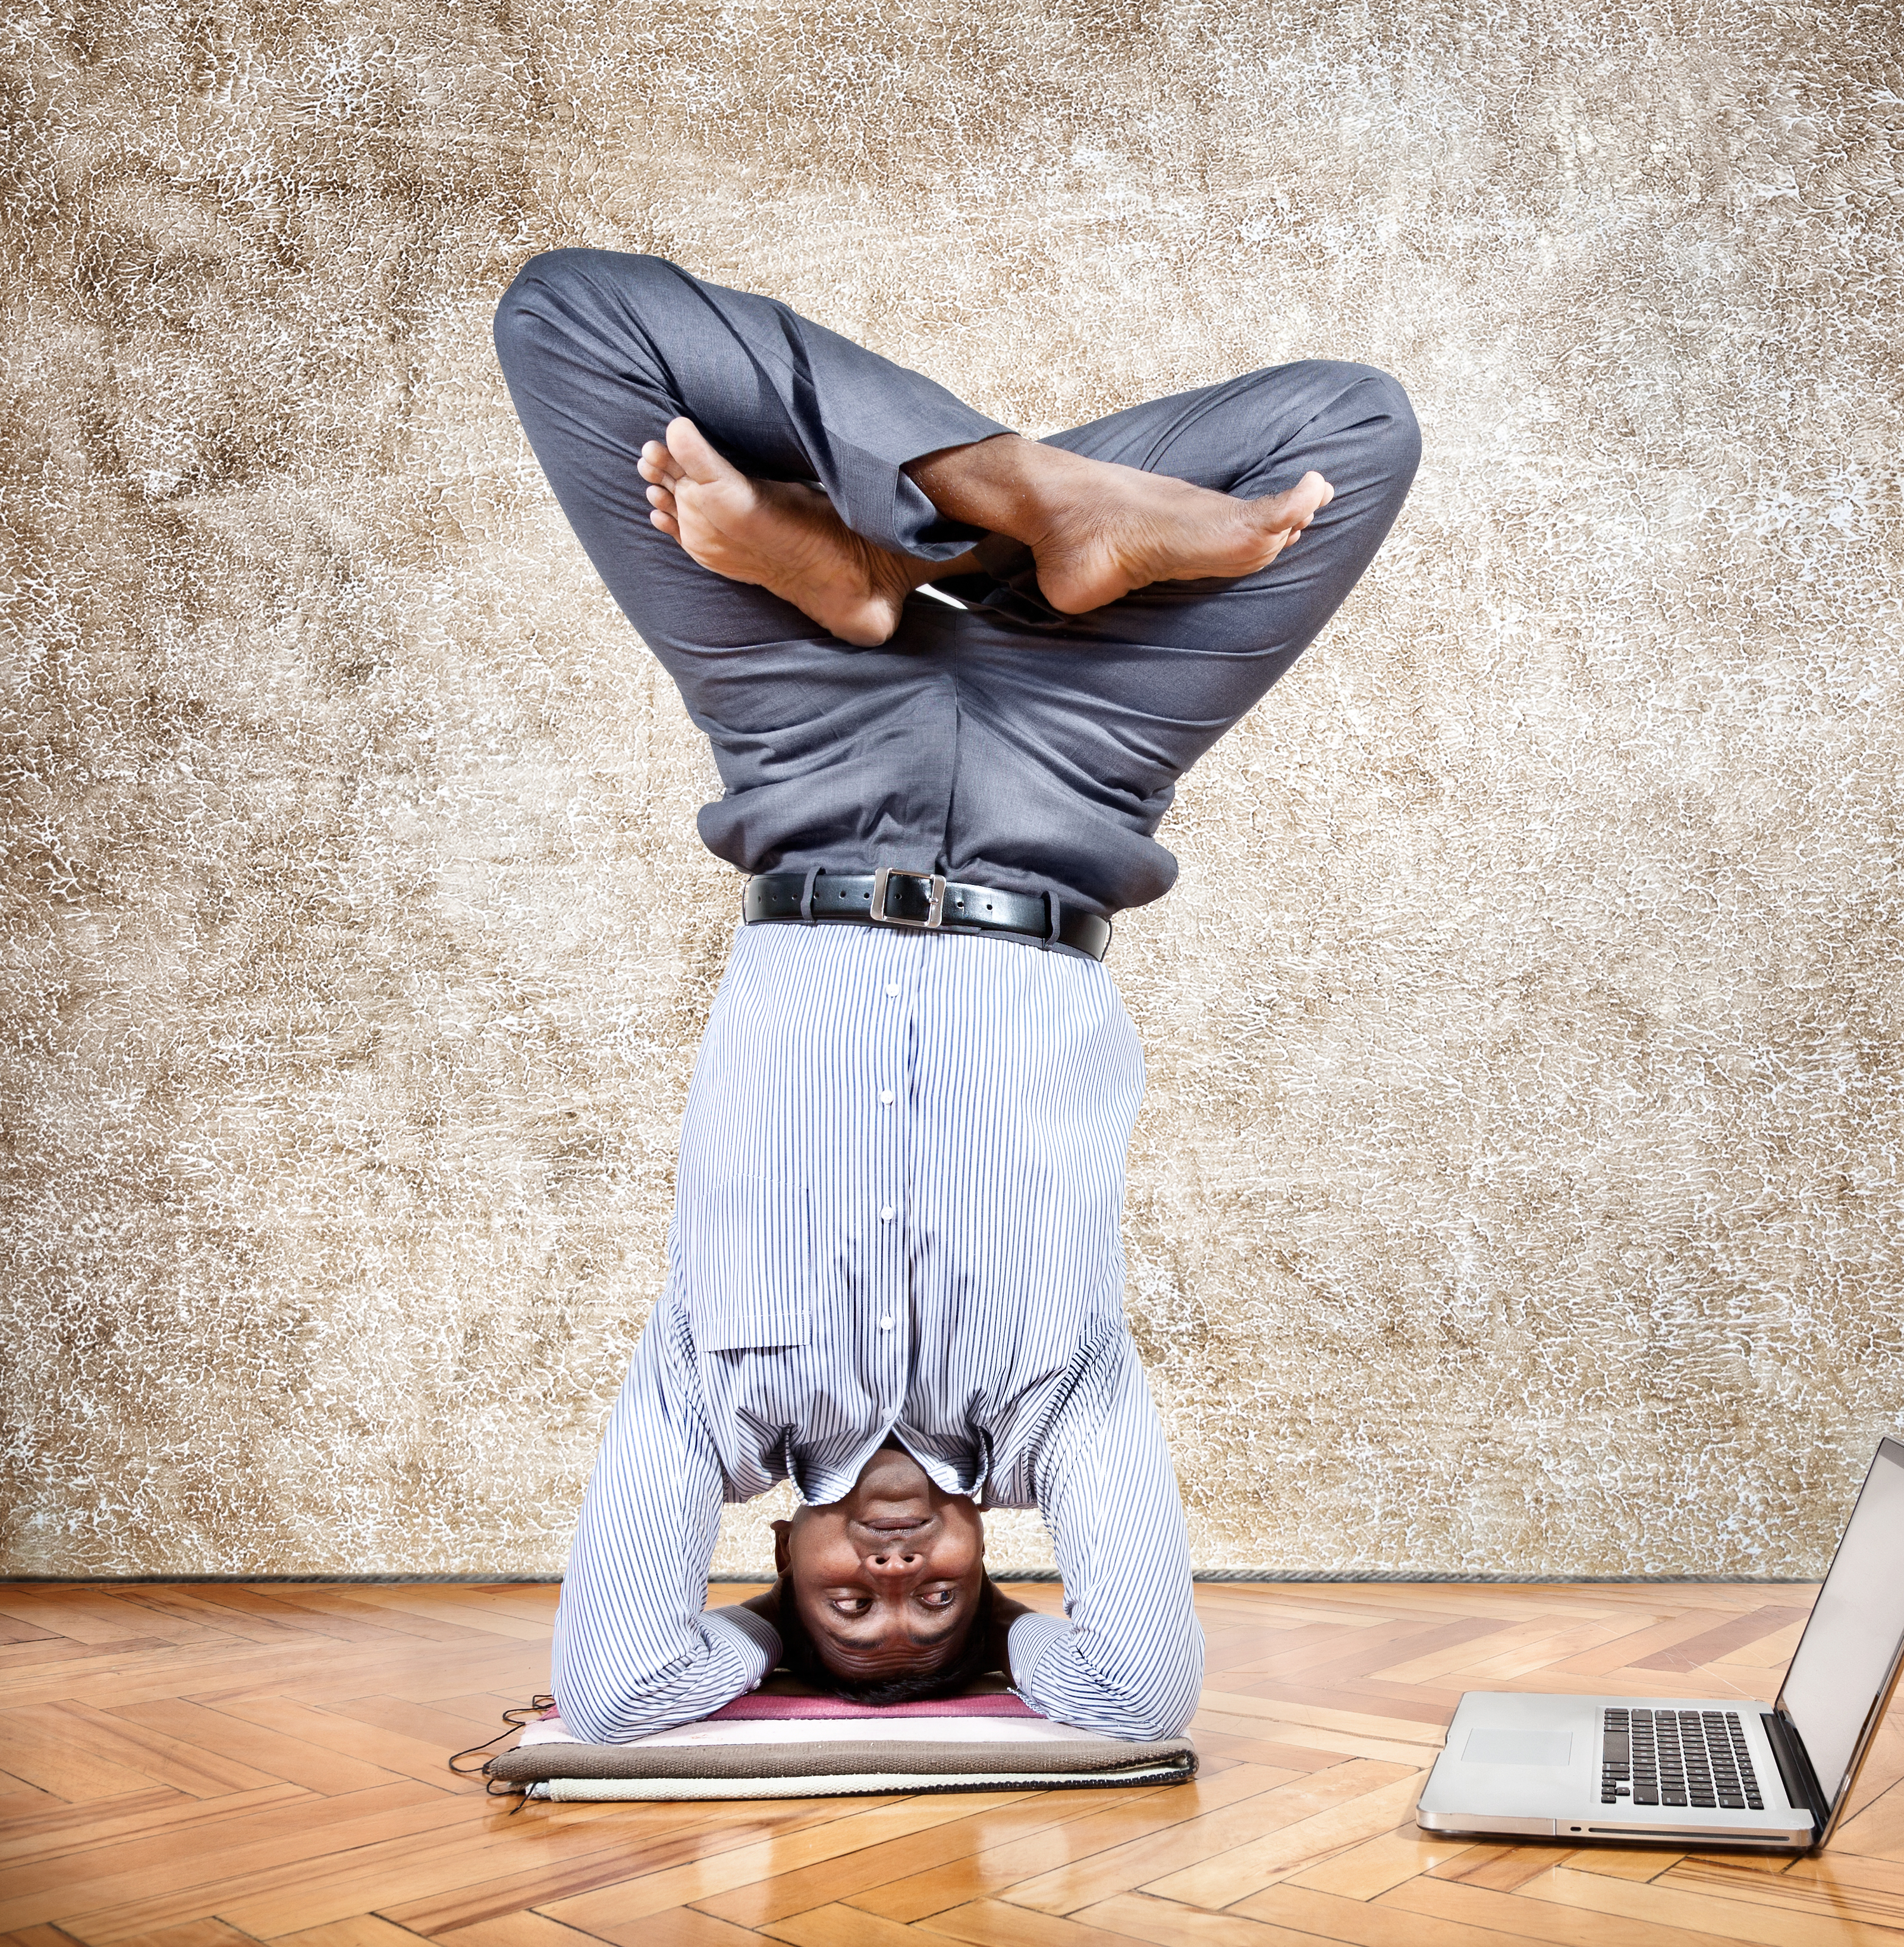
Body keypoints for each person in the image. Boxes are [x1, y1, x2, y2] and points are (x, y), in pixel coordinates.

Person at [492, 249, 1419, 1743]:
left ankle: (891, 551)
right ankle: (978, 521)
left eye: (845, 1602)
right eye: (937, 1599)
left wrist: (756, 1650)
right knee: (1353, 428)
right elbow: (1136, 1690)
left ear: (783, 1564)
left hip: (808, 746)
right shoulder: (1062, 1408)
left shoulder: (711, 1397)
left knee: (568, 316)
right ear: (988, 1570)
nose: (894, 1571)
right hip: (1073, 767)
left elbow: (617, 1687)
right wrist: (990, 1653)